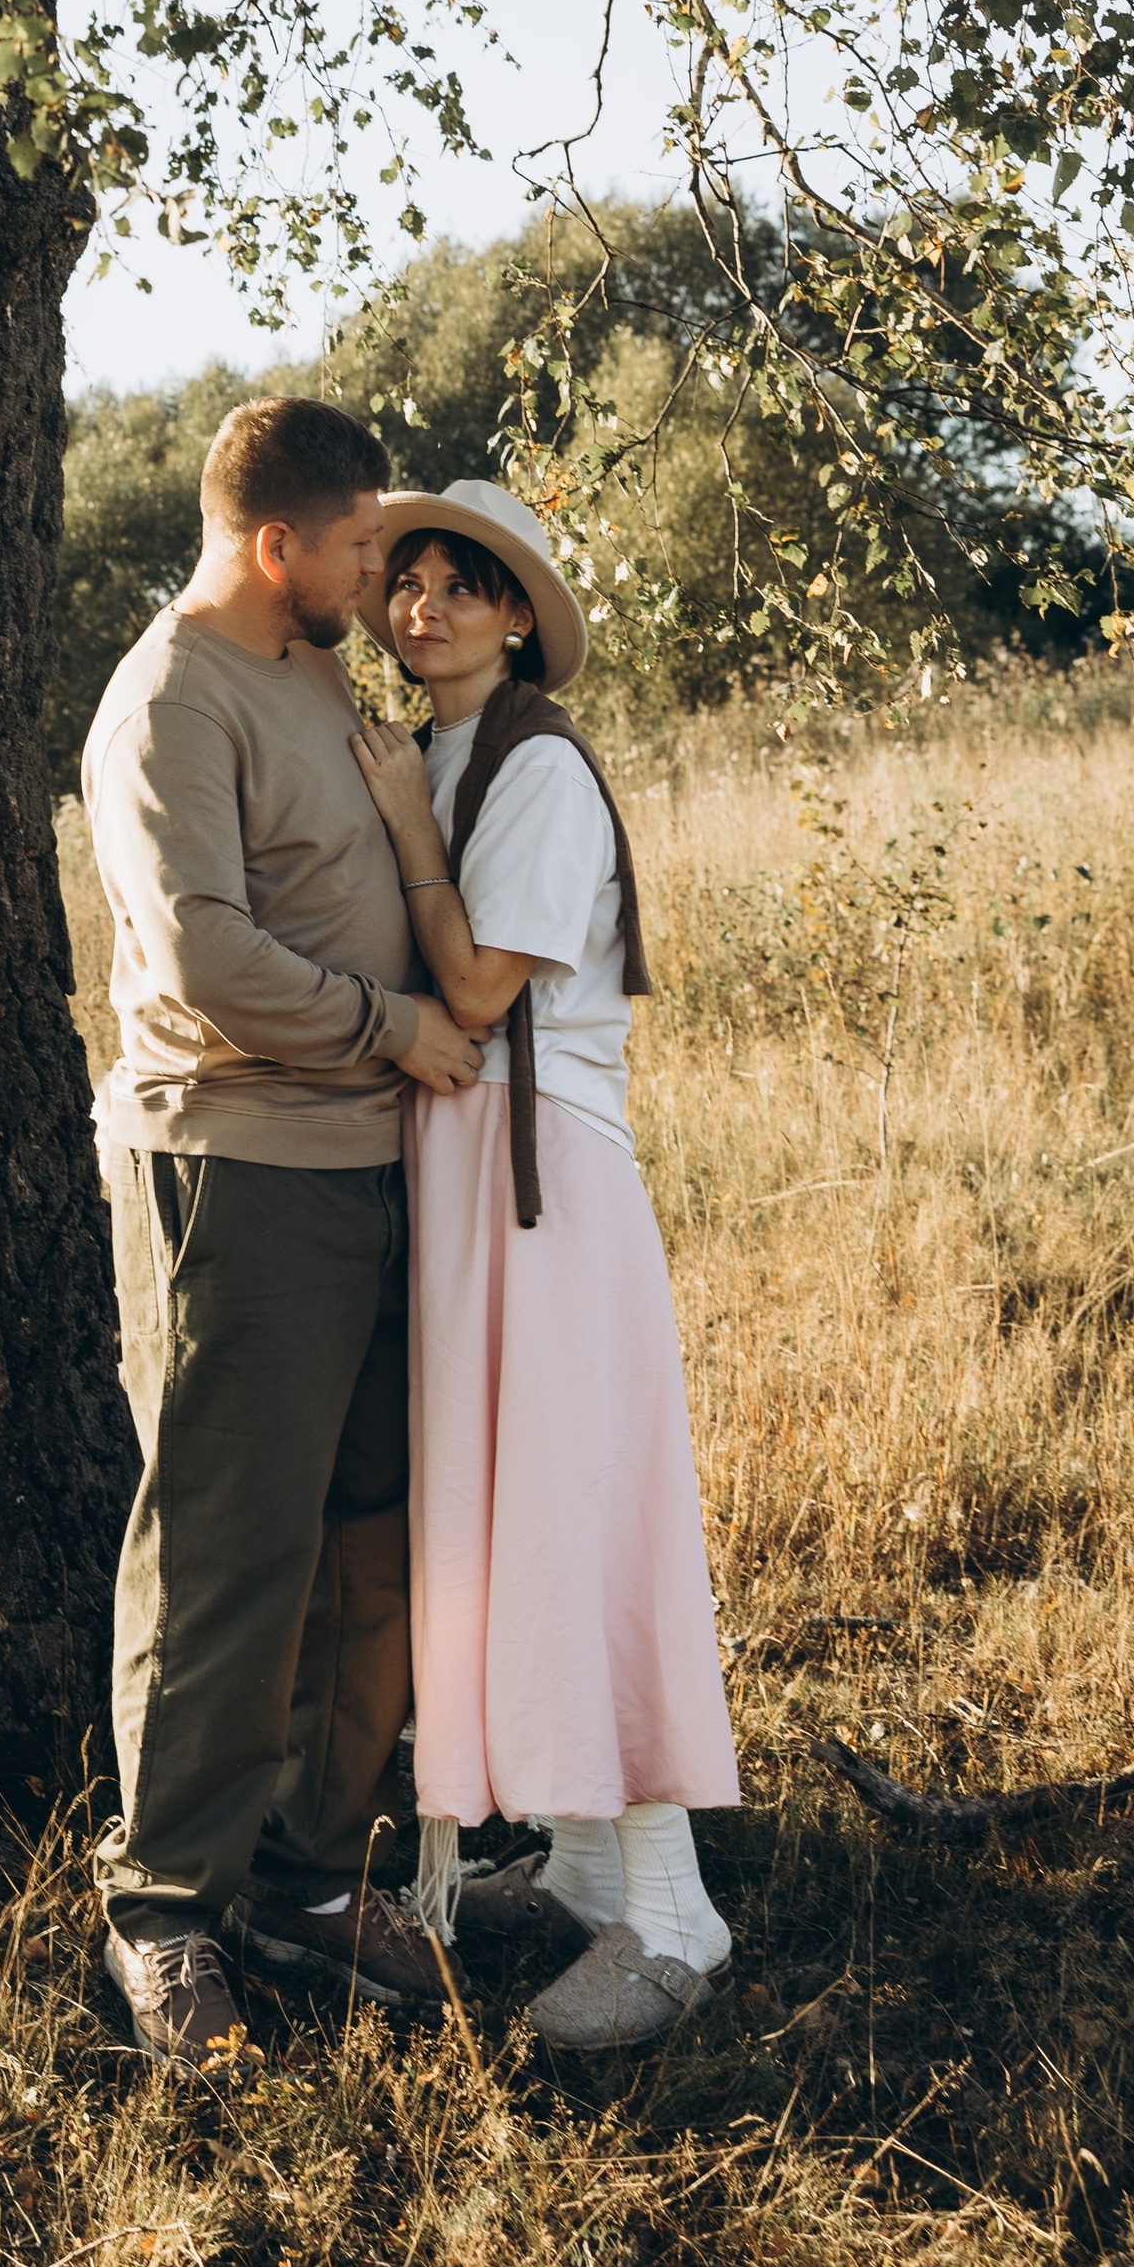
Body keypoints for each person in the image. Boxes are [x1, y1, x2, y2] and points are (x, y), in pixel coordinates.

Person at [80, 398, 489, 2074]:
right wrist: (396, 1027)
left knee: (368, 1535)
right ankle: (168, 1911)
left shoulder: (313, 672)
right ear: (278, 547)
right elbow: (205, 955)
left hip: (376, 1165)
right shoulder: (171, 699)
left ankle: (312, 1879)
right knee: (231, 1551)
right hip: (237, 1170)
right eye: (362, 547)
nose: (381, 577)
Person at [348, 477, 741, 2051]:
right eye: (410, 580)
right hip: (461, 1168)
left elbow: (475, 984)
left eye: (465, 583)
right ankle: (580, 1861)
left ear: (517, 616)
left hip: (543, 1180)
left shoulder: (539, 766)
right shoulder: (441, 752)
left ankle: (676, 1908)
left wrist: (398, 822)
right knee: (505, 1510)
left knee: (574, 1508)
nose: (426, 606)